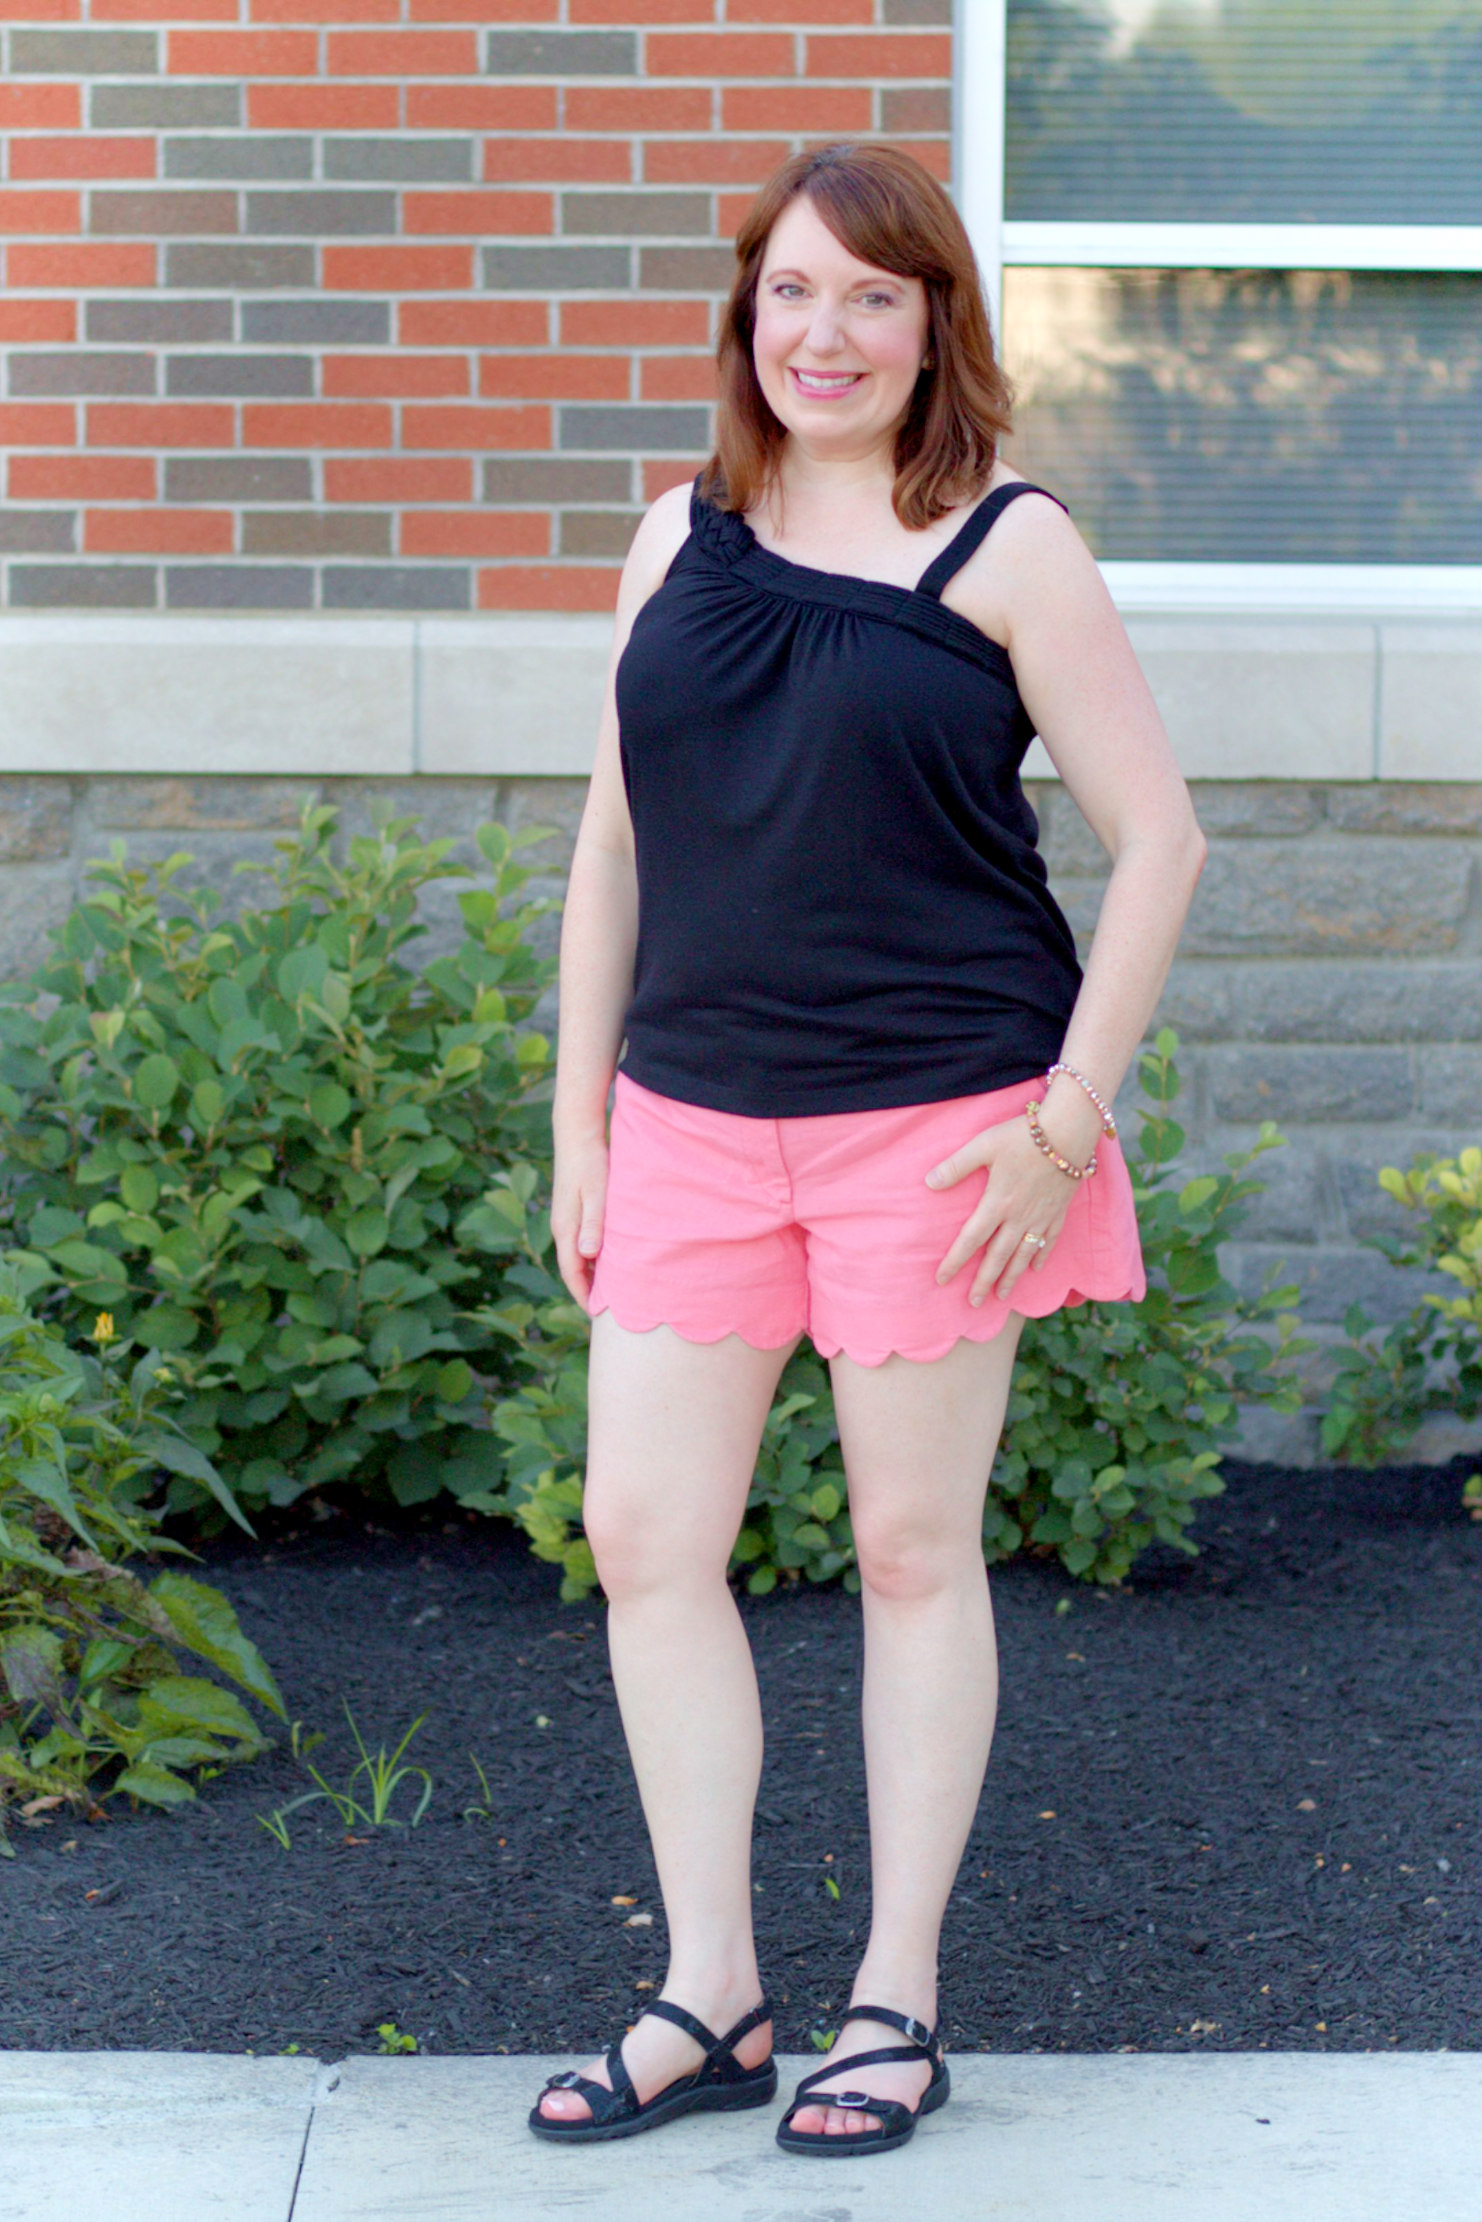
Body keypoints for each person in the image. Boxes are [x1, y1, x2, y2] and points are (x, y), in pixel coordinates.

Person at [528, 141, 1206, 2158]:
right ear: (753, 318)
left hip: (942, 1135)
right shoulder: (678, 535)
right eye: (793, 293)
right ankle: (712, 1991)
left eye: (874, 298)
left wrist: (1061, 1125)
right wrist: (578, 1119)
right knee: (648, 1538)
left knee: (913, 1551)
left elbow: (1160, 843)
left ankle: (892, 1997)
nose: (825, 333)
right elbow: (614, 845)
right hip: (690, 1125)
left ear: (936, 329)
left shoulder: (1008, 549)